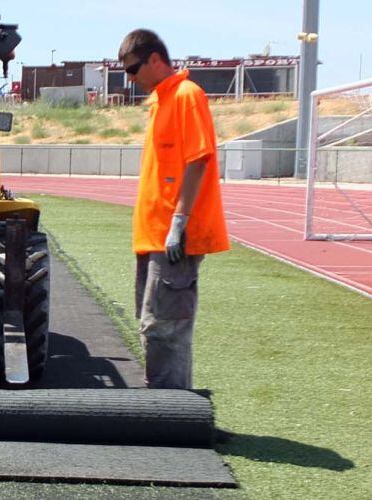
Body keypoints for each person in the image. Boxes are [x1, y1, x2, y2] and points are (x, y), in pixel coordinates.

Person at [118, 29, 230, 389]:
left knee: (165, 325)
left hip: (173, 238)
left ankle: (169, 408)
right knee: (153, 321)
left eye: (133, 69)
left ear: (155, 59)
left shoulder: (186, 95)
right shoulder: (159, 102)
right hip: (153, 235)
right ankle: (170, 405)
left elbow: (198, 160)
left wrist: (179, 222)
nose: (130, 79)